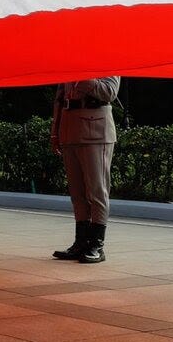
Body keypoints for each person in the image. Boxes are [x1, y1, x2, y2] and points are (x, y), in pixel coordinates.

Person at [50, 78, 120, 263]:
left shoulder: (107, 57)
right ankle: (80, 242)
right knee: (77, 192)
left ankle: (96, 244)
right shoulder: (69, 62)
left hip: (95, 129)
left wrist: (83, 76)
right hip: (69, 128)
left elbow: (109, 92)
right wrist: (55, 131)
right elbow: (60, 97)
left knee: (97, 190)